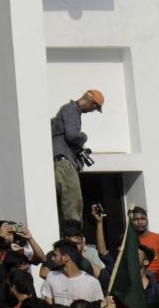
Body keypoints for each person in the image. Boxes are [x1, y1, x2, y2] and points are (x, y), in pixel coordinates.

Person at [49, 91, 101, 224]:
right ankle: (74, 239)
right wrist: (84, 137)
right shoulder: (71, 110)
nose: (92, 111)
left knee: (65, 207)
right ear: (91, 101)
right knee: (73, 206)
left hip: (61, 162)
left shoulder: (68, 111)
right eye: (95, 107)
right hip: (65, 163)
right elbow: (72, 136)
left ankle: (70, 235)